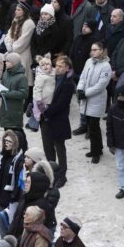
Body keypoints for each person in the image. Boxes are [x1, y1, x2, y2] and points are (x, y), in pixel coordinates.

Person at [39, 54, 74, 187]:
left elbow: (61, 104)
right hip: (45, 119)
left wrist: (45, 110)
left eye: (60, 66)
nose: (57, 68)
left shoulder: (68, 84)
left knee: (60, 149)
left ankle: (62, 175)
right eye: (56, 65)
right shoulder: (50, 78)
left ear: (67, 68)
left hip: (58, 120)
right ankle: (51, 172)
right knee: (48, 148)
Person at [76, 41, 111, 163]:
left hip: (96, 100)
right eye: (92, 49)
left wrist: (86, 93)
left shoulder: (106, 66)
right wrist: (80, 89)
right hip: (86, 99)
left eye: (95, 49)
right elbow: (83, 77)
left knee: (94, 127)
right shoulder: (89, 62)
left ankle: (96, 152)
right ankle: (97, 148)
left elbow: (101, 85)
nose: (93, 52)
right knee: (91, 126)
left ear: (101, 50)